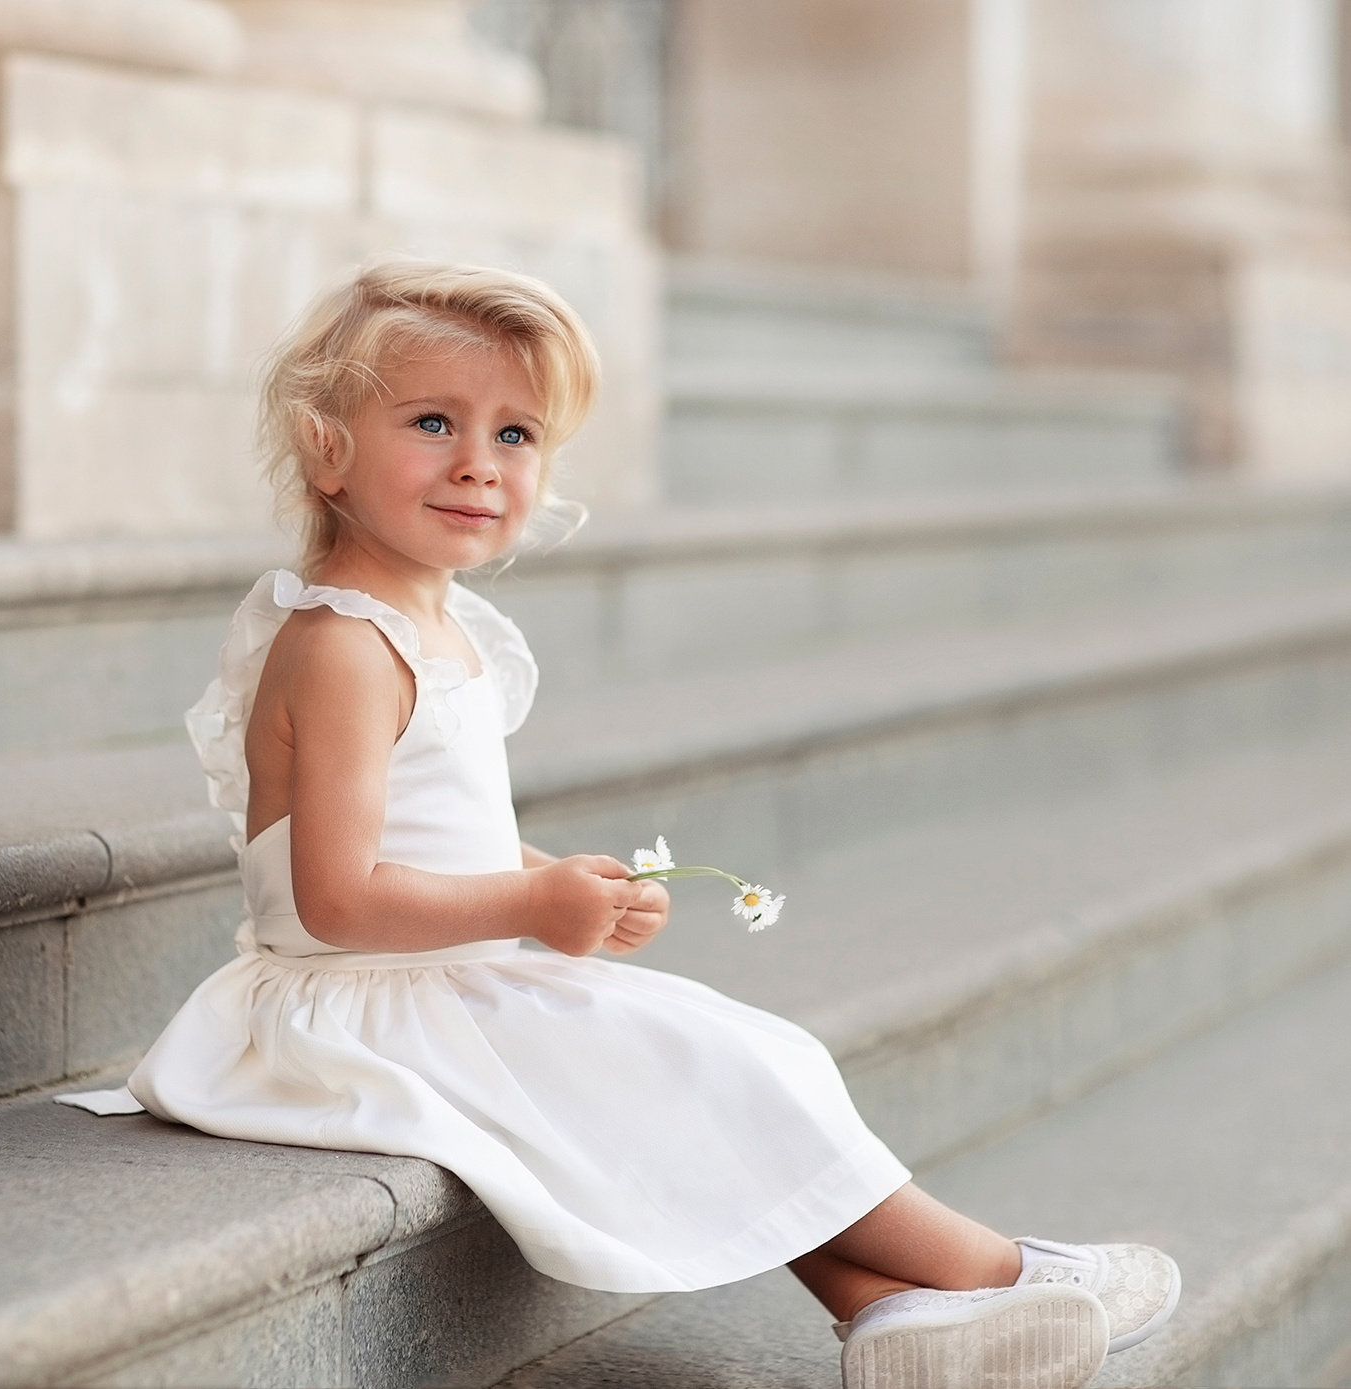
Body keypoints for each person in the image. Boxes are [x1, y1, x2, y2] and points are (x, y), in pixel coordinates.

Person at [62, 260, 1179, 1389]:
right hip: (352, 1012)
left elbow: (436, 839)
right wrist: (530, 902)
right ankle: (1000, 1272)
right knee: (701, 1064)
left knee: (719, 1068)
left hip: (428, 983)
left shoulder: (428, 622)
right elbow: (338, 898)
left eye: (515, 434)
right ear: (327, 449)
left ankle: (890, 1312)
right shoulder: (345, 646)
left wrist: (553, 879)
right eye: (434, 422)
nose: (477, 462)